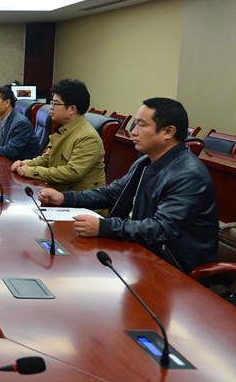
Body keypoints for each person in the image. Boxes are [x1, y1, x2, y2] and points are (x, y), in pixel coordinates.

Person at [39, 98, 218, 273]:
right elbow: (112, 193)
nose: (133, 132)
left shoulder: (188, 174)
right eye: (135, 124)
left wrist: (104, 226)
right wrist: (64, 198)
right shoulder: (146, 161)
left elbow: (162, 228)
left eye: (141, 125)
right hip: (140, 251)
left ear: (168, 132)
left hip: (174, 268)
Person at [11, 79, 105, 192]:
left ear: (72, 109)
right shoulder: (63, 130)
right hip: (58, 193)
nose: (51, 107)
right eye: (52, 102)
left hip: (79, 200)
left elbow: (72, 173)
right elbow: (46, 159)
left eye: (55, 103)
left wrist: (31, 171)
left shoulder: (88, 137)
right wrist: (24, 164)